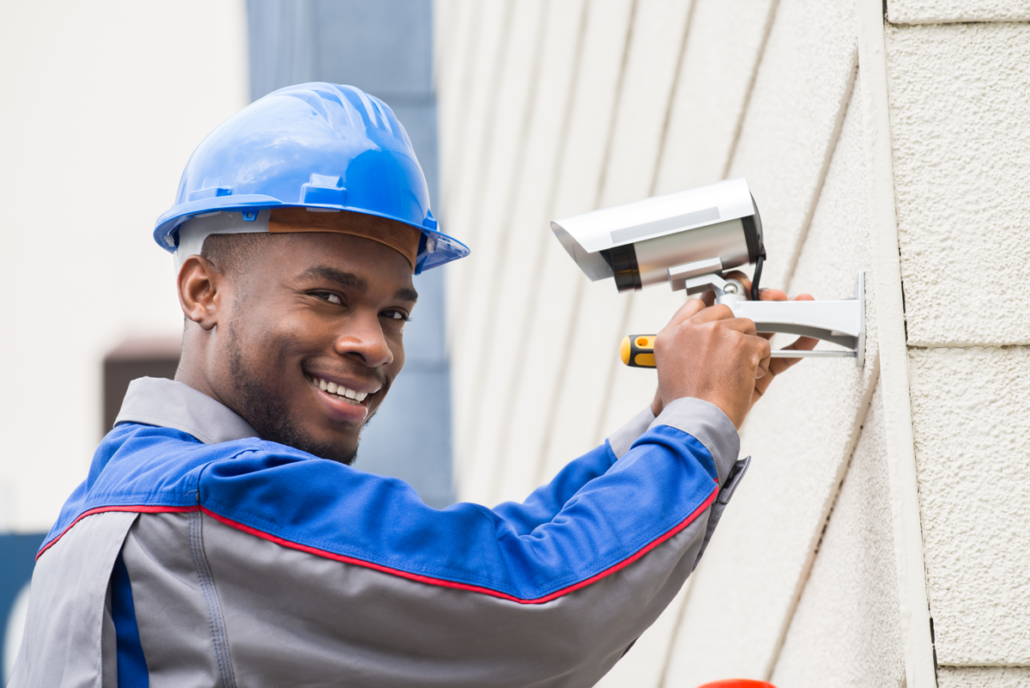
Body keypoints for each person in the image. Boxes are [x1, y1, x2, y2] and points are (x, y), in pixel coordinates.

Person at [10, 83, 814, 688]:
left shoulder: (105, 517)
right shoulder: (205, 499)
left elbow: (490, 557)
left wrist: (670, 413)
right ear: (202, 292)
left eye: (394, 313)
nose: (371, 344)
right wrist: (699, 425)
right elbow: (531, 602)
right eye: (328, 296)